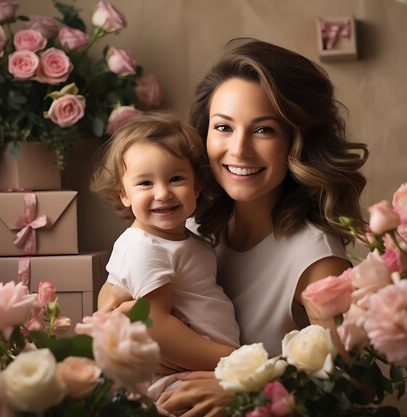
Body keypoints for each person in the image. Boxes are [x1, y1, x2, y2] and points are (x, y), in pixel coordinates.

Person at [102, 38, 369, 416]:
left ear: (296, 141)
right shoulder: (189, 223)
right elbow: (130, 312)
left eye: (263, 130)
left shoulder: (316, 260)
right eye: (223, 127)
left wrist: (251, 383)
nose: (239, 149)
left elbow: (354, 385)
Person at [90, 112, 240, 399]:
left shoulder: (187, 241)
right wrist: (234, 361)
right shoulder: (145, 248)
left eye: (175, 178)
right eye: (145, 183)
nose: (162, 193)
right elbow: (155, 323)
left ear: (197, 186)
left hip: (197, 371)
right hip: (178, 379)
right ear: (123, 193)